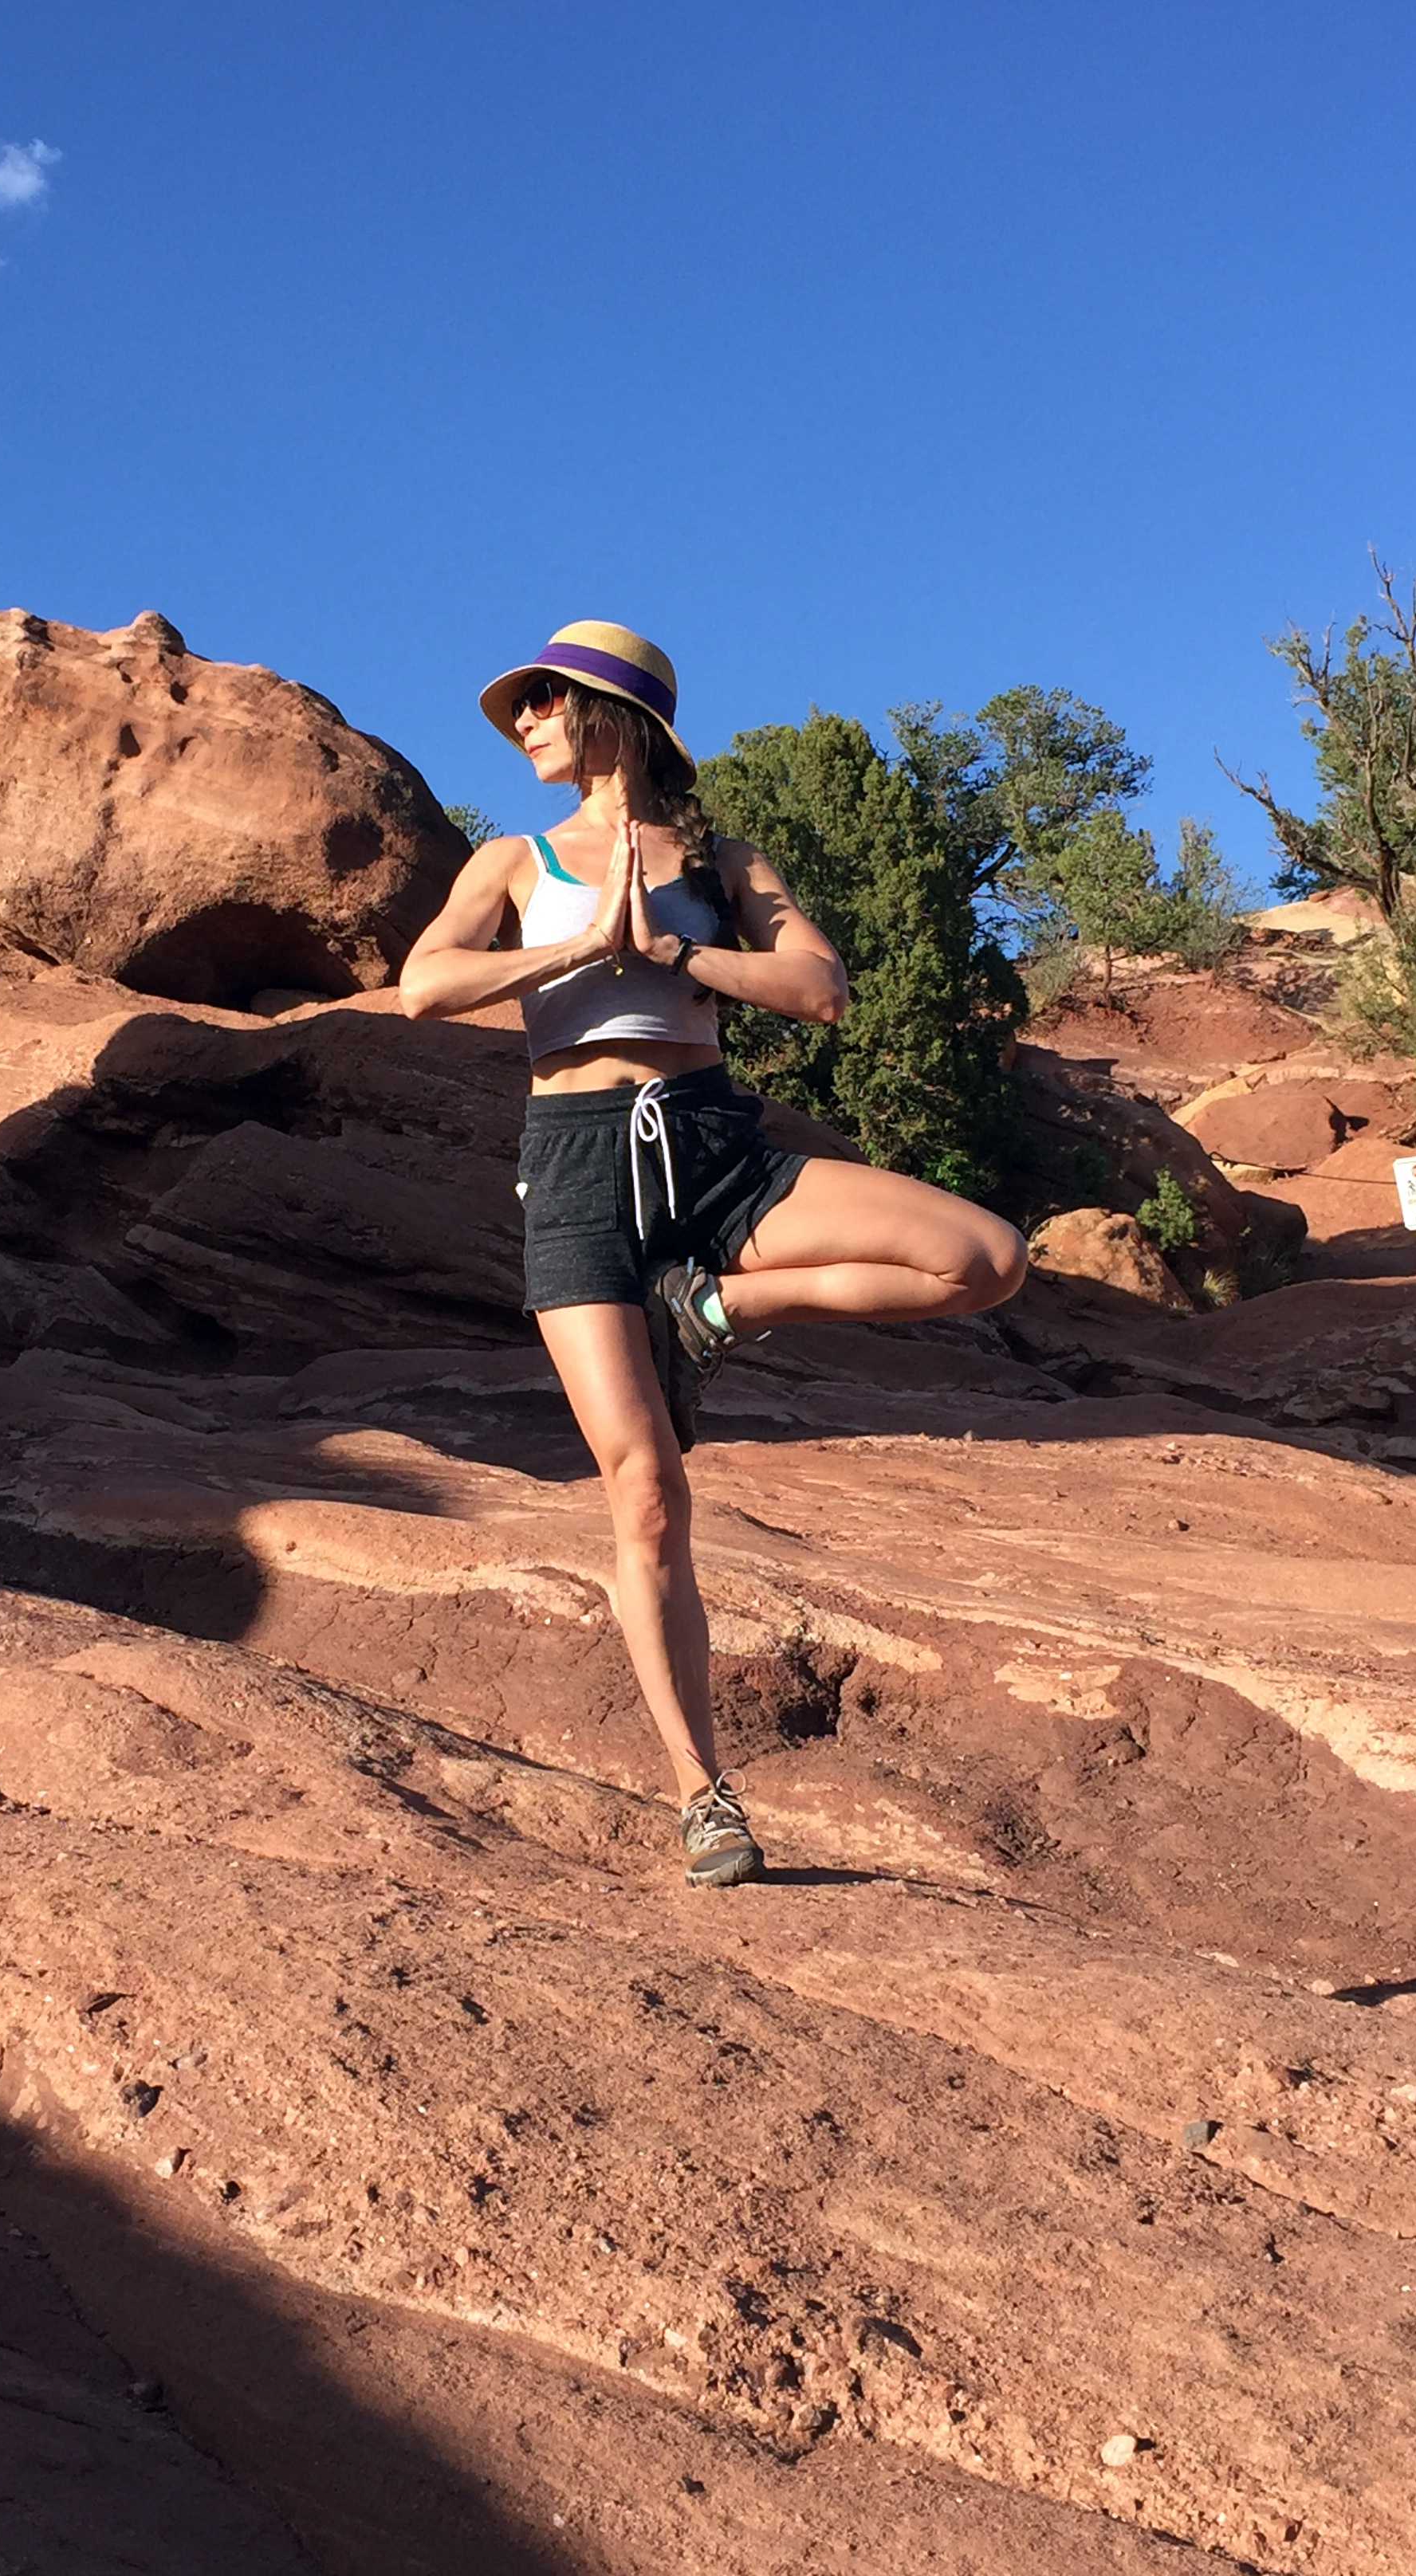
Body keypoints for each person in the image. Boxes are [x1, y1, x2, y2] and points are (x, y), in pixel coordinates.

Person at [400, 622, 1027, 1886]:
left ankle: (717, 1309)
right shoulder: (511, 859)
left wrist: (673, 952)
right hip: (576, 1168)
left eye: (543, 701)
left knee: (984, 1256)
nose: (524, 723)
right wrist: (581, 947)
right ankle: (705, 1796)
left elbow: (821, 989)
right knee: (645, 1491)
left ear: (613, 715)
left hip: (714, 1145)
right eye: (520, 708)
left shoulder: (727, 861)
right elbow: (425, 984)